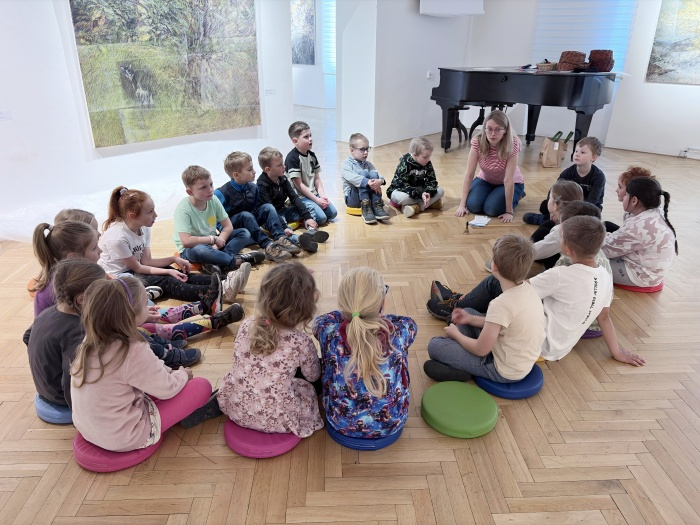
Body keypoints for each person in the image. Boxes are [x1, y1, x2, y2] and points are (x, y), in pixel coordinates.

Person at [428, 217, 646, 366]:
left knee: (495, 281)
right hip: (560, 349)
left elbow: (517, 292)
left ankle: (455, 305)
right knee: (488, 301)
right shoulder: (606, 277)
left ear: (568, 249)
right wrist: (617, 352)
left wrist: (502, 271)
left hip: (535, 345)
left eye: (560, 237)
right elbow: (604, 317)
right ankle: (463, 308)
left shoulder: (561, 275)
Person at [70, 276, 213, 452]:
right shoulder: (132, 349)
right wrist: (182, 375)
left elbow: (148, 372)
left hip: (88, 428)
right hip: (125, 437)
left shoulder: (91, 339)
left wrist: (170, 373)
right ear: (132, 315)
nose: (150, 307)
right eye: (146, 304)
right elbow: (167, 388)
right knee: (201, 386)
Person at [204, 262, 323, 437]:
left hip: (238, 409)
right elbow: (313, 376)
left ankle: (220, 399)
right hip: (279, 418)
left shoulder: (247, 324)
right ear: (305, 308)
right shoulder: (301, 341)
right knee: (312, 382)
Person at [425, 235, 546, 382]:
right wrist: (470, 319)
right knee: (468, 313)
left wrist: (456, 335)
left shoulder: (501, 304)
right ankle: (460, 359)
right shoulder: (529, 290)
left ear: (494, 266)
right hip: (517, 360)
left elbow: (481, 350)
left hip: (501, 370)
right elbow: (502, 323)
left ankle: (463, 370)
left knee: (434, 345)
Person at [314, 267, 416, 439]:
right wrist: (376, 317)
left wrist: (352, 312)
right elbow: (405, 321)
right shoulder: (402, 330)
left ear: (343, 304)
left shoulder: (327, 331)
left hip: (340, 424)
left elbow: (321, 320)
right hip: (391, 425)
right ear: (382, 303)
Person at [99, 186, 248, 303]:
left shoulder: (143, 227)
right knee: (169, 280)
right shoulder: (117, 238)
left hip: (136, 269)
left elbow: (147, 262)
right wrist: (168, 272)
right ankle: (221, 291)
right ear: (133, 216)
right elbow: (137, 268)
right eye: (150, 212)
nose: (155, 215)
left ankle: (227, 279)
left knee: (181, 273)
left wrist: (173, 259)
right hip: (119, 278)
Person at [25, 259, 105, 410]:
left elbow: (27, 336)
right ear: (82, 299)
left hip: (45, 387)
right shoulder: (78, 332)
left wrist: (44, 360)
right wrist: (79, 410)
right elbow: (72, 378)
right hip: (62, 397)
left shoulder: (47, 312)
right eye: (102, 293)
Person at [174, 165, 264, 279]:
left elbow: (228, 226)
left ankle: (216, 261)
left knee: (244, 233)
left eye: (211, 184)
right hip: (192, 248)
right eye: (203, 187)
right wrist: (213, 239)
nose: (210, 190)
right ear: (190, 192)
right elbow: (186, 241)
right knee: (200, 250)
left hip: (213, 243)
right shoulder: (183, 210)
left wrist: (216, 244)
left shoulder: (213, 199)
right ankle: (237, 260)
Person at [215, 151, 296, 263]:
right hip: (234, 228)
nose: (254, 172)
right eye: (249, 169)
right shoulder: (221, 193)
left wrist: (283, 226)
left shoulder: (254, 188)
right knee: (245, 215)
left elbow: (255, 210)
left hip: (250, 222)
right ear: (236, 175)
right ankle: (267, 245)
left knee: (268, 207)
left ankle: (281, 238)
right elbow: (218, 222)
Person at [602, 177, 677, 287]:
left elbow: (602, 250)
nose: (623, 197)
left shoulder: (638, 225)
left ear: (634, 200)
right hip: (652, 271)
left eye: (626, 195)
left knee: (584, 260)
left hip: (642, 276)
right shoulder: (655, 211)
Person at [256, 147, 330, 253]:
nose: (284, 166)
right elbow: (270, 210)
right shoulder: (261, 185)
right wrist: (284, 226)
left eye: (283, 163)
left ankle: (311, 232)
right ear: (268, 169)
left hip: (283, 211)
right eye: (279, 165)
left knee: (309, 206)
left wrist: (308, 217)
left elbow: (294, 197)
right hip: (271, 218)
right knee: (285, 228)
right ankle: (298, 241)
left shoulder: (282, 178)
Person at [455, 110, 525, 222]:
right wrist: (462, 205)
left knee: (492, 209)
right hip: (486, 180)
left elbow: (508, 179)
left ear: (505, 130)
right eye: (489, 129)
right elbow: (469, 174)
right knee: (473, 206)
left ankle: (518, 195)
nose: (493, 133)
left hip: (510, 183)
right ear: (484, 128)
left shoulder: (513, 144)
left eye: (498, 129)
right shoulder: (477, 142)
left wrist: (509, 211)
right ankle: (493, 193)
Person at [524, 137, 605, 225]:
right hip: (567, 204)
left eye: (582, 152)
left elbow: (592, 201)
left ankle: (549, 220)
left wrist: (566, 208)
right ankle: (555, 218)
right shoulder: (568, 172)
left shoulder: (598, 177)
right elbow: (555, 190)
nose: (577, 154)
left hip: (587, 207)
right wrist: (553, 208)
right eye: (576, 151)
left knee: (593, 215)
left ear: (593, 157)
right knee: (545, 205)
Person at [31, 219, 101, 318]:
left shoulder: (85, 275)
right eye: (94, 248)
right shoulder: (55, 292)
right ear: (73, 258)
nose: (100, 250)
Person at [285, 121, 338, 225]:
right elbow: (299, 185)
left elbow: (317, 179)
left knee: (333, 213)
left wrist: (322, 197)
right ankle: (299, 212)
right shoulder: (292, 158)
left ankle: (313, 207)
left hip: (313, 194)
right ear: (295, 141)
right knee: (322, 218)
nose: (310, 139)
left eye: (310, 135)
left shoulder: (312, 155)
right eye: (306, 137)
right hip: (301, 197)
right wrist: (317, 201)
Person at [387, 136, 445, 218]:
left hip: (419, 190)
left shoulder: (427, 162)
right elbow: (401, 185)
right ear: (415, 154)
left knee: (441, 191)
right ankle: (429, 204)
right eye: (425, 157)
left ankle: (415, 207)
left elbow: (431, 180)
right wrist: (420, 195)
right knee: (403, 198)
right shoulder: (405, 163)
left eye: (429, 156)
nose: (428, 159)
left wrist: (428, 193)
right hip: (403, 191)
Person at [340, 133, 390, 224]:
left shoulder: (368, 164)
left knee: (373, 173)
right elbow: (353, 178)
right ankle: (366, 208)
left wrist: (380, 181)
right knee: (363, 173)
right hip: (353, 199)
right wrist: (368, 182)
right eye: (362, 149)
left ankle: (376, 205)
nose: (366, 152)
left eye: (367, 149)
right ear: (352, 150)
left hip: (368, 195)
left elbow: (378, 174)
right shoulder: (346, 164)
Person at [605, 166, 657, 232]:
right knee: (605, 225)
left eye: (620, 187)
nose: (616, 190)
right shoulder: (638, 207)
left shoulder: (636, 223)